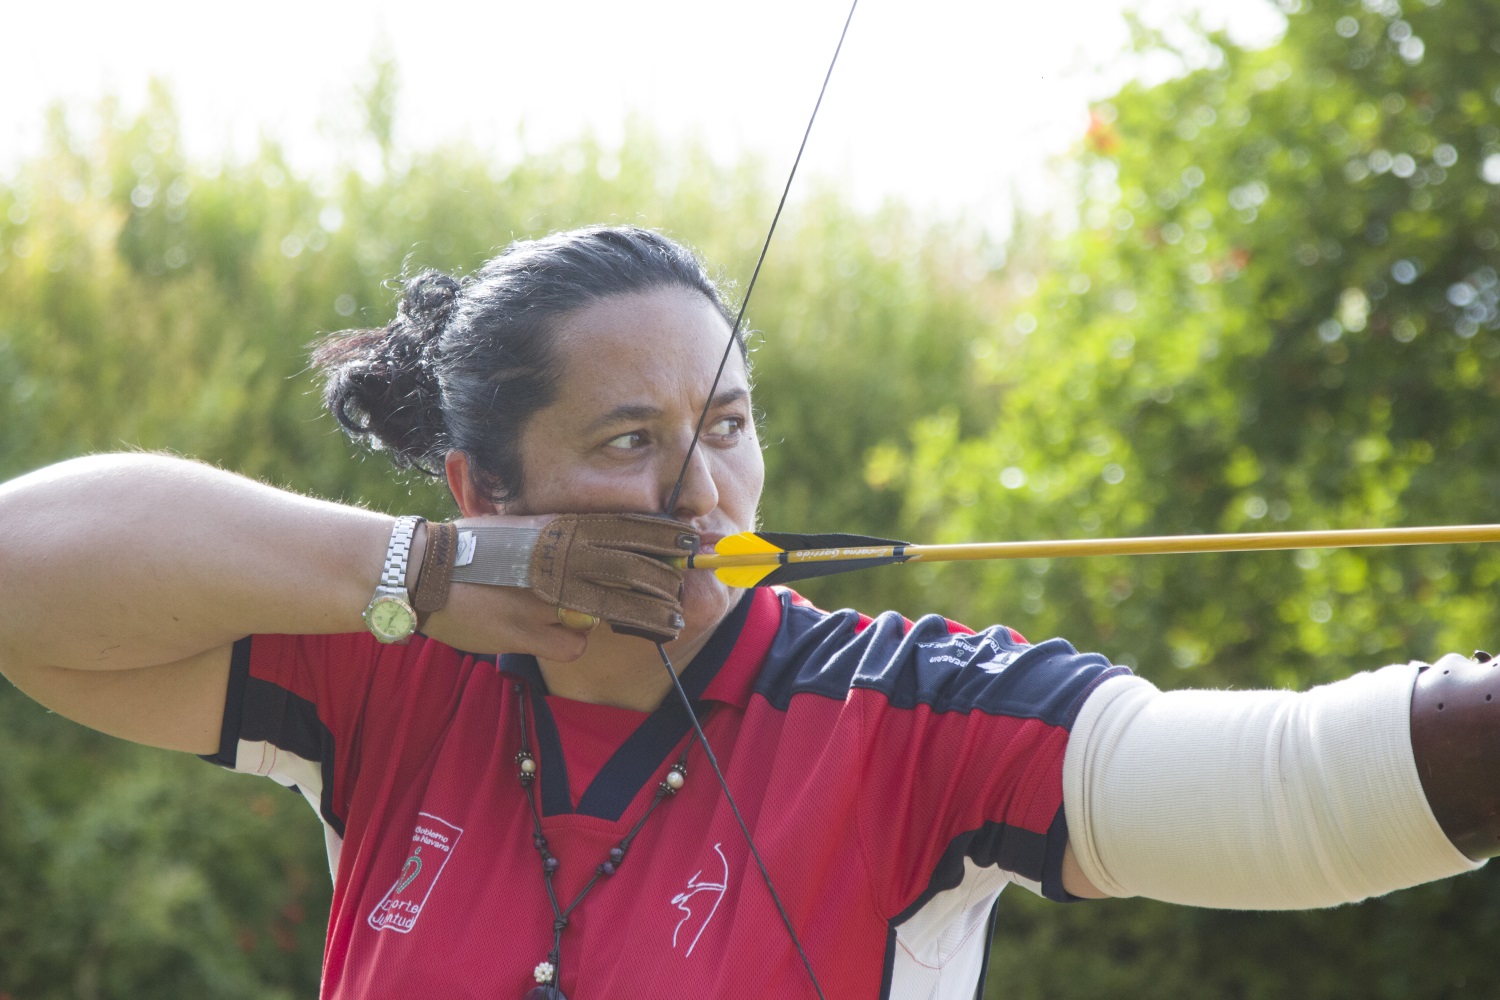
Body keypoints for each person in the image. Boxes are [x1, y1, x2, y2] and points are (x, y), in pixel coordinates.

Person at [0, 225, 1494, 1000]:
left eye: (726, 424)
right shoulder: (398, 673)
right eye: (629, 442)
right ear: (483, 483)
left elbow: (1307, 794)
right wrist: (428, 574)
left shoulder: (917, 715)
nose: (700, 494)